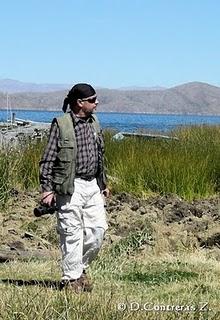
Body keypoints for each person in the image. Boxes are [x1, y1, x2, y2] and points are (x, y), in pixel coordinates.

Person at [39, 83, 109, 292]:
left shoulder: (94, 123)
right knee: (71, 233)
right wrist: (47, 189)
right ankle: (71, 280)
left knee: (98, 231)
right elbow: (48, 159)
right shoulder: (61, 125)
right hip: (70, 186)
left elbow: (100, 156)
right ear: (80, 103)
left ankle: (79, 269)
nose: (97, 103)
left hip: (93, 185)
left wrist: (103, 184)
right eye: (93, 100)